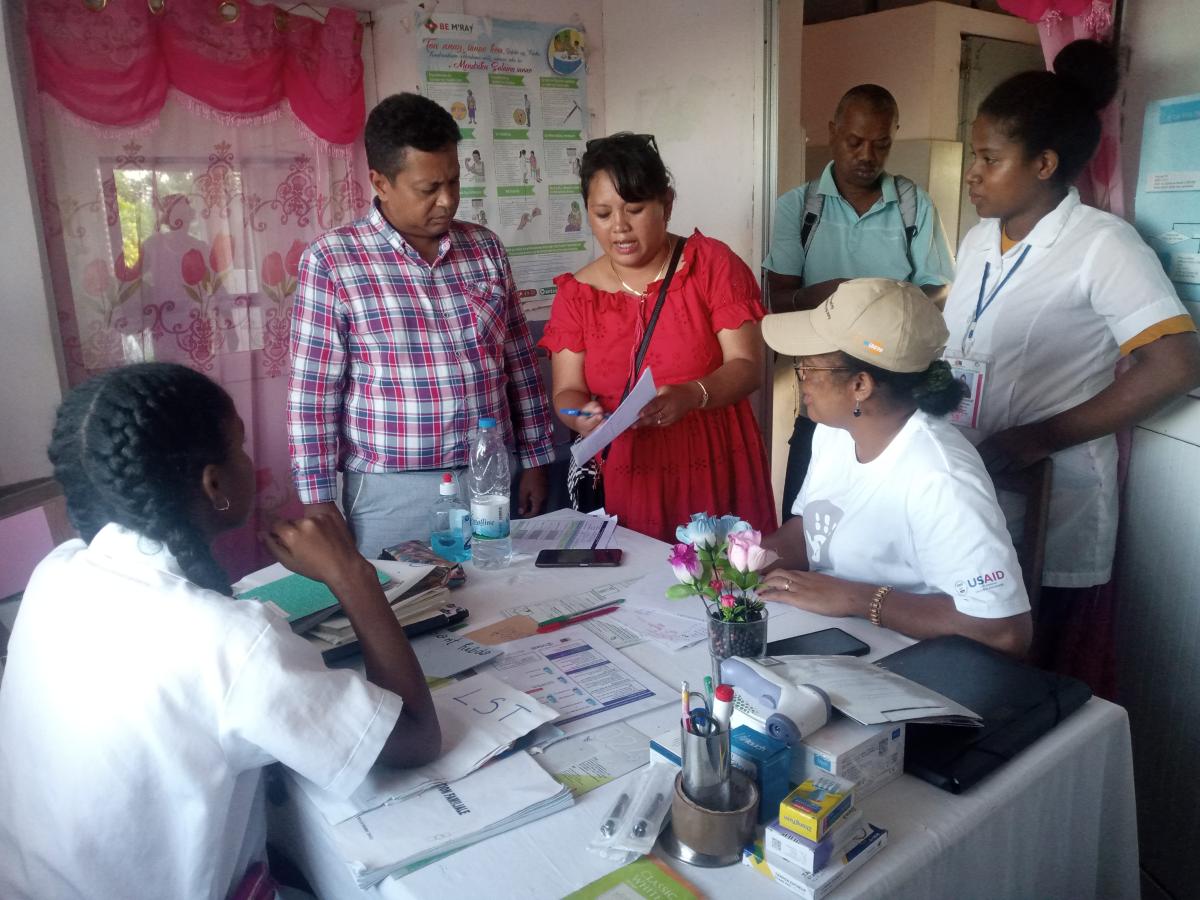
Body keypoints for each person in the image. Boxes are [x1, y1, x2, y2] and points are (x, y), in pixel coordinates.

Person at [0, 363, 440, 898]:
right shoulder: (231, 642)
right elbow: (417, 738)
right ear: (214, 484)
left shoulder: (58, 572)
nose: (250, 463)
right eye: (240, 446)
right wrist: (353, 576)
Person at [944, 40, 1200, 676]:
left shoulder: (1103, 245)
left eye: (989, 158)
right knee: (966, 657)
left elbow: (1176, 365)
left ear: (1044, 163)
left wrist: (1041, 437)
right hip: (976, 479)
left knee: (1034, 670)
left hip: (1056, 491)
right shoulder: (979, 238)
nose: (972, 173)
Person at [288, 93, 555, 558]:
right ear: (381, 182)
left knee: (503, 610)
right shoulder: (333, 261)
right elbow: (313, 393)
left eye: (453, 182)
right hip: (390, 493)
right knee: (406, 618)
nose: (447, 200)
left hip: (490, 477)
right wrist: (318, 499)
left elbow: (520, 364)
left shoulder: (485, 249)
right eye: (428, 188)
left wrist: (534, 460)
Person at [757, 279, 1032, 656]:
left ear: (860, 385)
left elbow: (1004, 632)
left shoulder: (940, 477)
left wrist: (860, 599)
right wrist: (745, 560)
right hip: (831, 638)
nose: (800, 375)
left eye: (807, 366)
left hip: (908, 664)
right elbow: (809, 530)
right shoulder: (834, 431)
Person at [540, 132, 777, 542]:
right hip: (630, 472)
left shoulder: (711, 266)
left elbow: (748, 366)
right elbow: (567, 394)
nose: (619, 227)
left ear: (666, 204)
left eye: (635, 209)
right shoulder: (576, 295)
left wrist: (692, 394)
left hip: (714, 462)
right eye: (602, 213)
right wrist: (585, 418)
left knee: (724, 591)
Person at [763, 85, 956, 520]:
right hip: (825, 380)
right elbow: (779, 298)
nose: (867, 155)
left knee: (889, 508)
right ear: (832, 133)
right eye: (854, 141)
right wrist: (840, 294)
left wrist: (882, 318)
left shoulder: (912, 205)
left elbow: (938, 289)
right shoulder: (800, 208)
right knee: (808, 511)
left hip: (891, 383)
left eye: (881, 144)